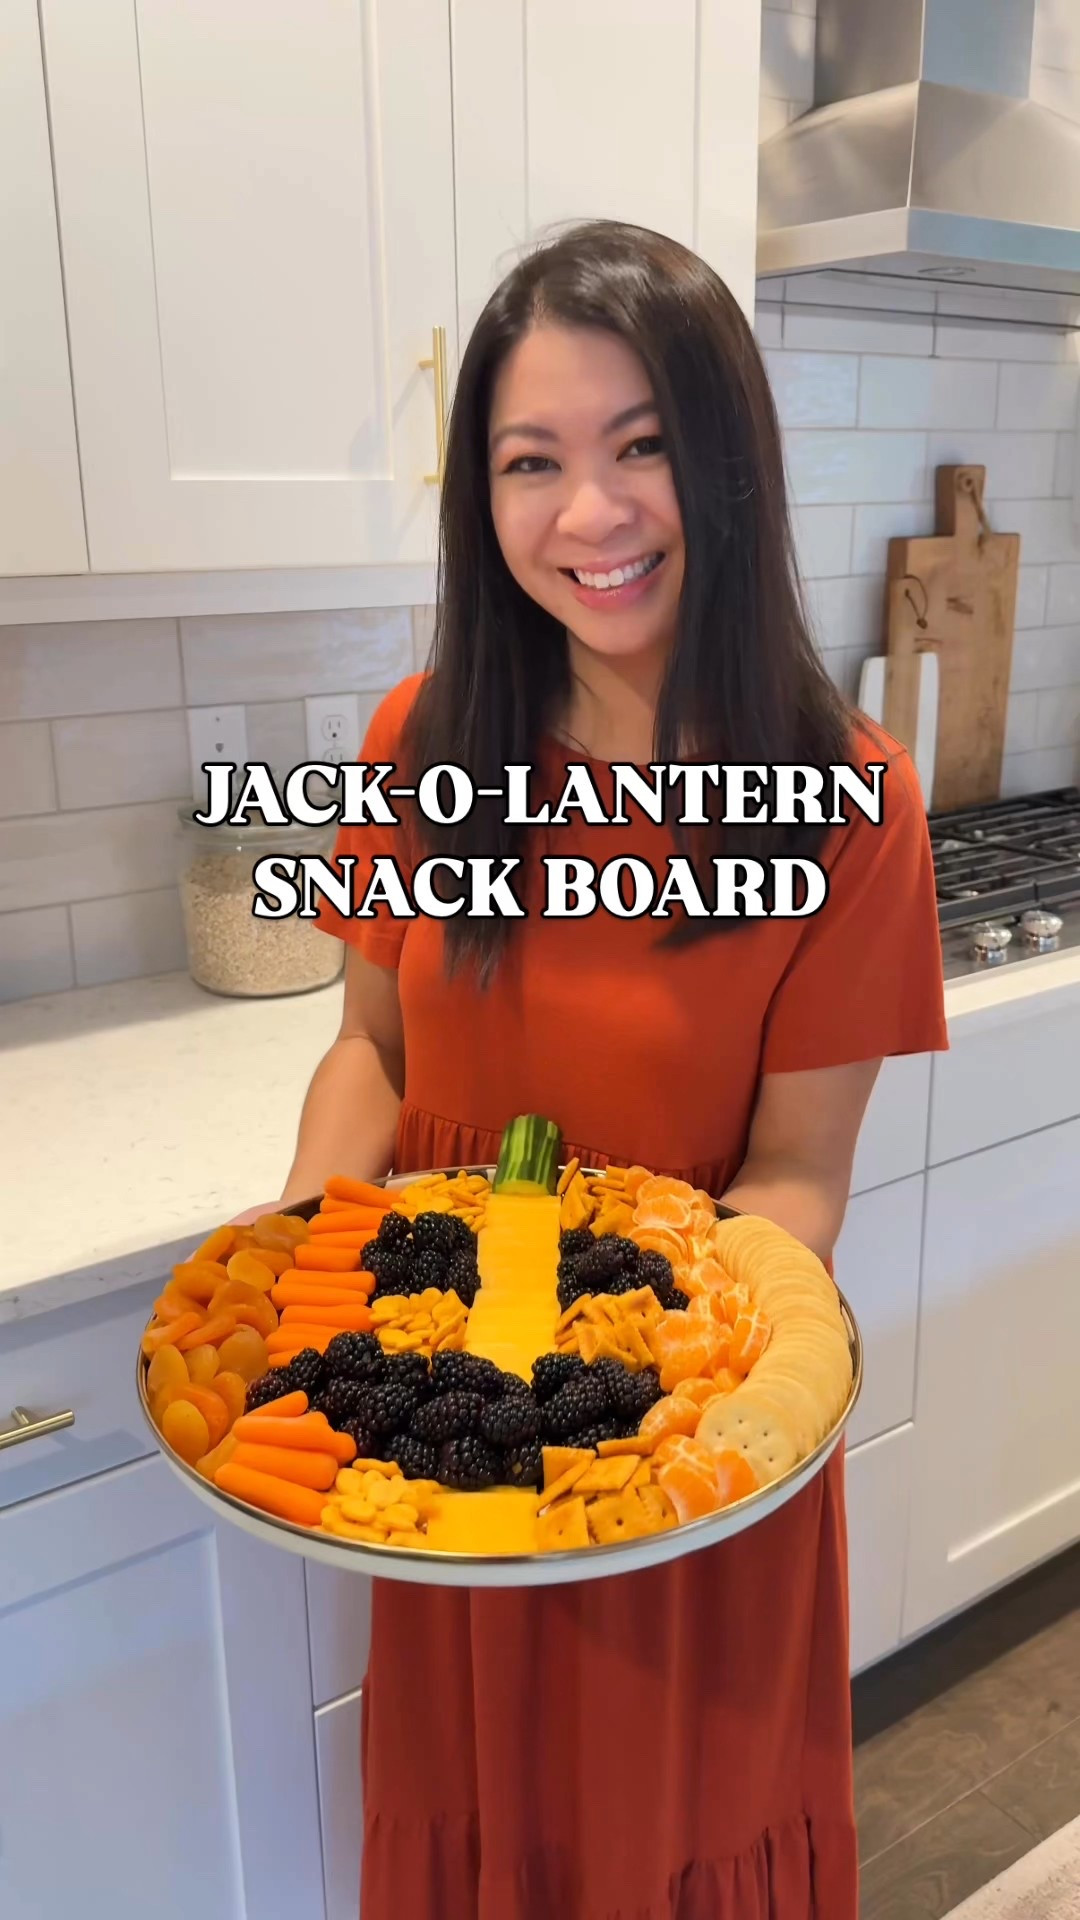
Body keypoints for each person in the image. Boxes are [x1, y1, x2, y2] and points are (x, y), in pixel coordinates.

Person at [276, 220, 948, 1919]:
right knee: (473, 1829)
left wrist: (632, 1412)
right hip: (441, 1430)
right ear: (479, 498)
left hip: (670, 1457)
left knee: (668, 1848)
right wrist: (312, 1268)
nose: (592, 513)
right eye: (533, 461)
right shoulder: (422, 744)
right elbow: (372, 1047)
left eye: (642, 445)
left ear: (727, 464)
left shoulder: (849, 806)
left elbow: (796, 1179)